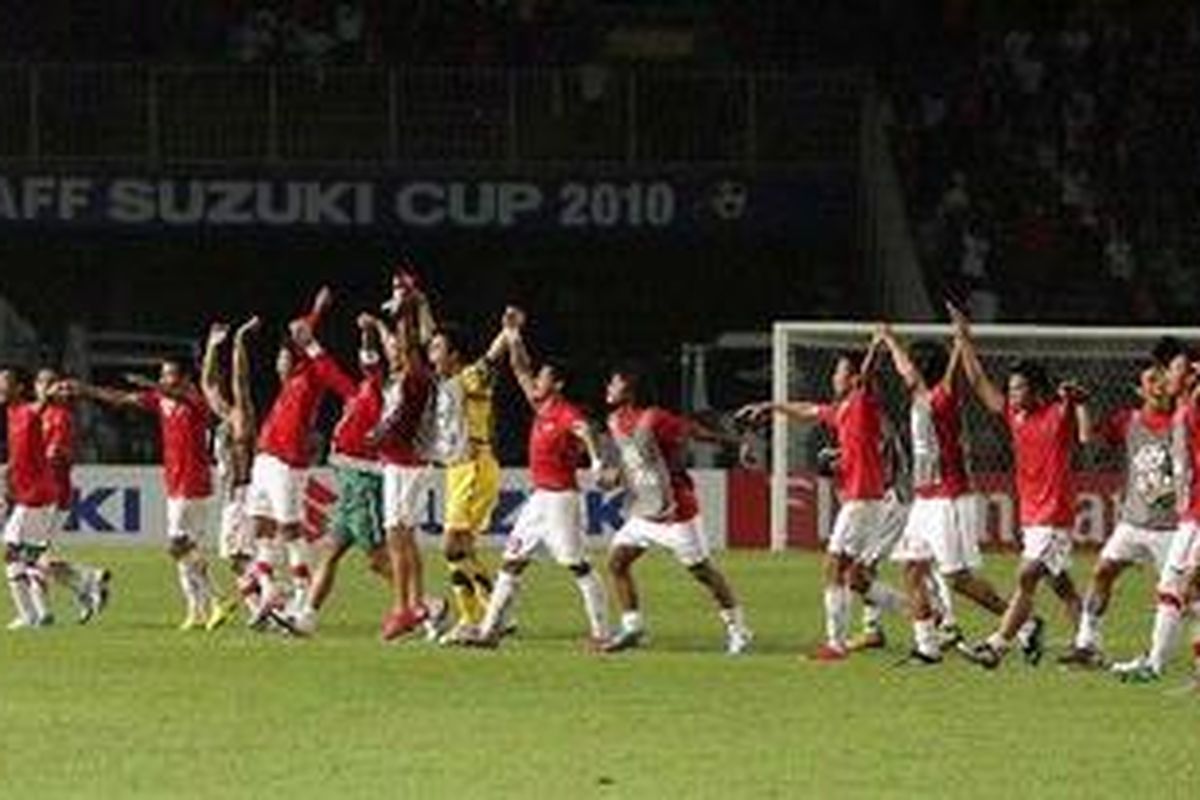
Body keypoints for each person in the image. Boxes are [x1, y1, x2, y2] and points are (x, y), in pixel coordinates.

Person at [737, 341, 904, 660]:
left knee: (834, 567)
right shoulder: (840, 409)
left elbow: (867, 375)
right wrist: (770, 406)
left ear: (854, 378)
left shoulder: (862, 400)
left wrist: (877, 343)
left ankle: (836, 644)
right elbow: (807, 410)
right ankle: (922, 615)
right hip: (863, 499)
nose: (834, 377)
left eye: (839, 371)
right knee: (855, 576)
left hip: (863, 497)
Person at [951, 306, 1089, 669]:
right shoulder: (1016, 416)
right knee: (1064, 588)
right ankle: (1087, 644)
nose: (1011, 394)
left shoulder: (1058, 413)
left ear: (1036, 389)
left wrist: (1076, 399)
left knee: (1026, 576)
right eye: (1010, 388)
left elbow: (1080, 416)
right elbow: (979, 383)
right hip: (1033, 519)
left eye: (1018, 388)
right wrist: (964, 339)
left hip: (1054, 516)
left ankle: (995, 647)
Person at [464, 309, 610, 648]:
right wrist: (513, 334)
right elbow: (519, 368)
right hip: (539, 498)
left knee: (577, 564)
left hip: (561, 500)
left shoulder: (564, 413)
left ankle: (602, 634)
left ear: (557, 384)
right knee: (512, 560)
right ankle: (489, 632)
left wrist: (597, 459)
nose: (537, 381)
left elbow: (585, 428)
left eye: (544, 377)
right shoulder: (541, 405)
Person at [876, 326, 1013, 664]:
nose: (906, 370)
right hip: (925, 499)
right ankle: (927, 647)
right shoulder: (919, 397)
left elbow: (951, 375)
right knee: (911, 570)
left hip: (949, 498)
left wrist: (959, 341)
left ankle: (1021, 624)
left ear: (923, 369)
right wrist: (889, 339)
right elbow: (904, 368)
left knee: (957, 579)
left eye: (913, 364)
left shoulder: (942, 396)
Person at [603, 364, 754, 655]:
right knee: (617, 562)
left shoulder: (654, 418)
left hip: (676, 510)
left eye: (615, 382)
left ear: (630, 391)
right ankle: (633, 627)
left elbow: (694, 431)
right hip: (644, 511)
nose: (608, 387)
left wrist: (737, 445)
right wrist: (615, 476)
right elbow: (631, 459)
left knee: (703, 572)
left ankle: (739, 630)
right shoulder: (613, 421)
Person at [73, 359, 224, 630]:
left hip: (194, 484)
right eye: (162, 376)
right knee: (187, 552)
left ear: (185, 378)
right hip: (175, 482)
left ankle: (217, 597)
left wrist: (151, 385)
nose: (165, 380)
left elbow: (177, 395)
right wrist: (85, 389)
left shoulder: (195, 402)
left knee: (177, 545)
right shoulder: (161, 401)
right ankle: (197, 611)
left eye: (170, 375)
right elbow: (122, 398)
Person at [246, 287, 356, 626]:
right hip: (264, 458)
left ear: (295, 356)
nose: (278, 361)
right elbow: (301, 329)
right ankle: (268, 588)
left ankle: (300, 598)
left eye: (283, 354)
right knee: (260, 528)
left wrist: (311, 338)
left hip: (287, 462)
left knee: (291, 531)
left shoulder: (312, 373)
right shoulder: (293, 376)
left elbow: (345, 387)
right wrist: (316, 309)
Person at [1060, 364, 1177, 668]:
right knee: (1103, 572)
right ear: (1140, 390)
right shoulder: (1129, 421)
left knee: (1183, 596)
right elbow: (1089, 441)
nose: (1159, 384)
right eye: (1152, 380)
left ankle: (1158, 656)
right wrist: (1082, 406)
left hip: (1173, 528)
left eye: (1163, 378)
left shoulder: (1185, 419)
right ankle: (1088, 644)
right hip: (1133, 522)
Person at [288, 314, 395, 635]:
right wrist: (309, 344)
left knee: (377, 560)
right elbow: (329, 371)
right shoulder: (358, 393)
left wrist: (367, 333)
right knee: (329, 551)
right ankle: (306, 617)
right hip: (349, 482)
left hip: (364, 482)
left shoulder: (378, 392)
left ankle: (427, 607)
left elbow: (366, 361)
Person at [421, 310, 515, 643]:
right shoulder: (445, 383)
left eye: (437, 348)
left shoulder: (469, 378)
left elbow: (491, 359)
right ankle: (473, 618)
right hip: (458, 469)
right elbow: (429, 331)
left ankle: (492, 612)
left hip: (474, 466)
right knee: (461, 549)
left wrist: (507, 332)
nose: (431, 353)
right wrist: (419, 302)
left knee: (451, 546)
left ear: (454, 355)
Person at [1112, 341, 1200, 683]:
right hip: (1189, 515)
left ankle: (1155, 664)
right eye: (1165, 370)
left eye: (1175, 369)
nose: (1166, 377)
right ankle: (1159, 663)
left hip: (1198, 516)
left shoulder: (1194, 408)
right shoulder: (1183, 409)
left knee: (1175, 585)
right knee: (1183, 589)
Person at [374, 274, 443, 641]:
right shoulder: (404, 375)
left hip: (406, 462)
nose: (395, 350)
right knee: (404, 536)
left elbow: (413, 342)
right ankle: (415, 604)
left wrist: (407, 308)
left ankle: (403, 609)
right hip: (399, 462)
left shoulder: (416, 377)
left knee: (396, 535)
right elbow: (400, 344)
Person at [34, 367, 111, 623]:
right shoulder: (39, 414)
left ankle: (87, 579)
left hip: (52, 494)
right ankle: (84, 588)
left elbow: (57, 455)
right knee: (34, 558)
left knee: (31, 556)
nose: (46, 387)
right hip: (40, 494)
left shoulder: (60, 417)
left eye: (50, 383)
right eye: (42, 382)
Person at [200, 317, 261, 624]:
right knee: (240, 558)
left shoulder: (242, 415)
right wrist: (212, 347)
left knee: (241, 557)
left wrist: (238, 343)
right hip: (232, 496)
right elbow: (207, 384)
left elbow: (241, 380)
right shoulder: (225, 417)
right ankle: (261, 609)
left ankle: (271, 602)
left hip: (244, 493)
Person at [2, 368, 71, 628]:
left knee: (11, 551)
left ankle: (28, 614)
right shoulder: (11, 413)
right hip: (35, 493)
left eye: (5, 383)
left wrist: (49, 395)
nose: (0, 387)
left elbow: (40, 407)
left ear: (19, 388)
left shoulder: (29, 411)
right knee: (30, 554)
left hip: (36, 495)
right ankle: (42, 613)